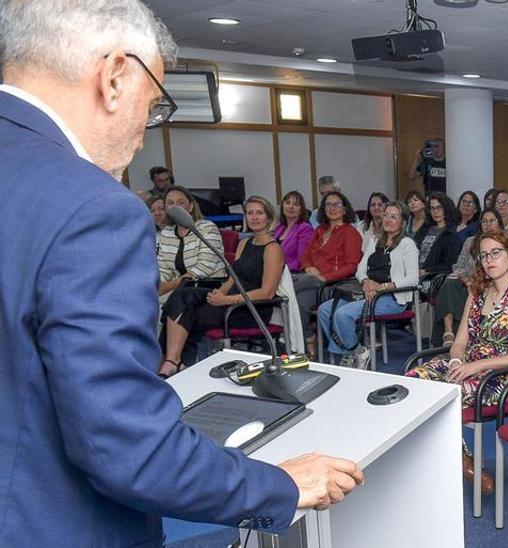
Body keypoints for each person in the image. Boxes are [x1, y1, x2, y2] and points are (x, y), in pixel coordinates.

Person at [0, 1, 360, 541]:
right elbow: (126, 449)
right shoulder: (91, 205)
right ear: (115, 75)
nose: (145, 136)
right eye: (152, 110)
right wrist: (278, 485)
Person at [407, 230, 508, 494]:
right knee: (412, 380)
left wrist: (477, 366)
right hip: (466, 364)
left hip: (497, 376)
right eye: (484, 255)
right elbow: (459, 343)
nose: (489, 260)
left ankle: (462, 465)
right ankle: (462, 460)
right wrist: (456, 361)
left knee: (445, 397)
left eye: (496, 253)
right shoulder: (476, 294)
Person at [159, 196, 283, 375]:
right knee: (181, 295)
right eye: (250, 213)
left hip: (250, 308)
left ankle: (171, 361)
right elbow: (233, 278)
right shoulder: (244, 243)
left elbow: (268, 292)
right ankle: (174, 360)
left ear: (269, 217)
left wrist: (226, 300)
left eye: (259, 213)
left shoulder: (273, 249)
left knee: (185, 311)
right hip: (229, 297)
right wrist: (219, 292)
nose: (254, 217)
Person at [317, 201, 418, 359]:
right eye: (385, 215)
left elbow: (413, 279)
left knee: (342, 314)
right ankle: (356, 351)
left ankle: (353, 354)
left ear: (403, 222)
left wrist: (381, 287)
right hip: (366, 293)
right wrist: (366, 283)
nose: (388, 220)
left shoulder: (407, 244)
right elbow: (360, 269)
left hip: (392, 298)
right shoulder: (375, 240)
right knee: (324, 310)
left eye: (393, 217)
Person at [295, 191, 363, 353]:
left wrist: (325, 277)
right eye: (328, 204)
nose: (332, 208)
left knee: (291, 295)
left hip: (332, 285)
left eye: (337, 204)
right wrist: (307, 267)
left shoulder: (350, 233)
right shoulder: (319, 230)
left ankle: (307, 338)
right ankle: (308, 336)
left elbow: (351, 266)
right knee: (293, 299)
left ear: (345, 209)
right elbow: (304, 256)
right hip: (310, 280)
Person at [435, 208, 504, 346]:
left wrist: (477, 282)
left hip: (490, 285)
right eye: (484, 221)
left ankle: (464, 341)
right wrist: (466, 279)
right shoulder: (471, 242)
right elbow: (458, 266)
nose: (488, 224)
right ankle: (448, 334)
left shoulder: (504, 243)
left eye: (492, 221)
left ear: (499, 223)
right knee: (449, 284)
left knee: (472, 292)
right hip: (467, 283)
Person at [156, 185, 225, 304]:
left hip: (209, 286)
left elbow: (204, 268)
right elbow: (163, 269)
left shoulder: (207, 228)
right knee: (145, 300)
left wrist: (169, 286)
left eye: (181, 202)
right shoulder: (166, 233)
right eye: (170, 203)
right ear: (166, 209)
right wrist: (157, 285)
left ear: (191, 206)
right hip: (179, 288)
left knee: (172, 300)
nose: (175, 206)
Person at [415, 192, 463, 286]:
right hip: (414, 273)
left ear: (446, 208)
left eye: (439, 207)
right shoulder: (424, 229)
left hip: (432, 278)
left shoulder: (450, 234)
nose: (435, 212)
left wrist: (427, 271)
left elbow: (450, 265)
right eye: (432, 208)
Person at [274, 190, 314, 273]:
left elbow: (302, 258)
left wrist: (281, 270)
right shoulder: (279, 227)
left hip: (292, 273)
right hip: (275, 271)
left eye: (296, 204)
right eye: (287, 203)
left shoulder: (305, 228)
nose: (290, 207)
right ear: (282, 206)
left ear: (301, 209)